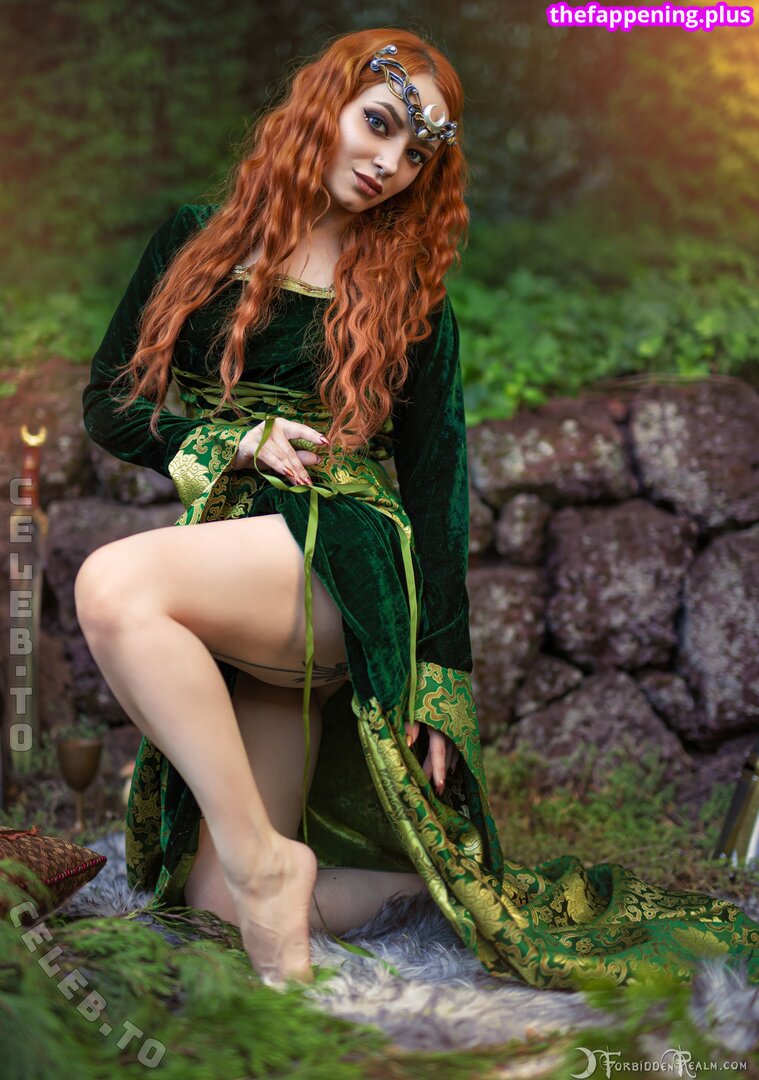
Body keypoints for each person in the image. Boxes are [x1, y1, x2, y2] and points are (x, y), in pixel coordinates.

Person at [77, 28, 759, 992]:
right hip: (239, 566)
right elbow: (107, 402)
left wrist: (440, 682)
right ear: (325, 103)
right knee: (213, 909)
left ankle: (268, 864)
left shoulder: (408, 294)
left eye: (416, 152)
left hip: (345, 557)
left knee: (113, 587)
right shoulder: (194, 238)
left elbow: (439, 489)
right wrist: (229, 441)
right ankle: (433, 894)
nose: (389, 163)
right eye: (379, 124)